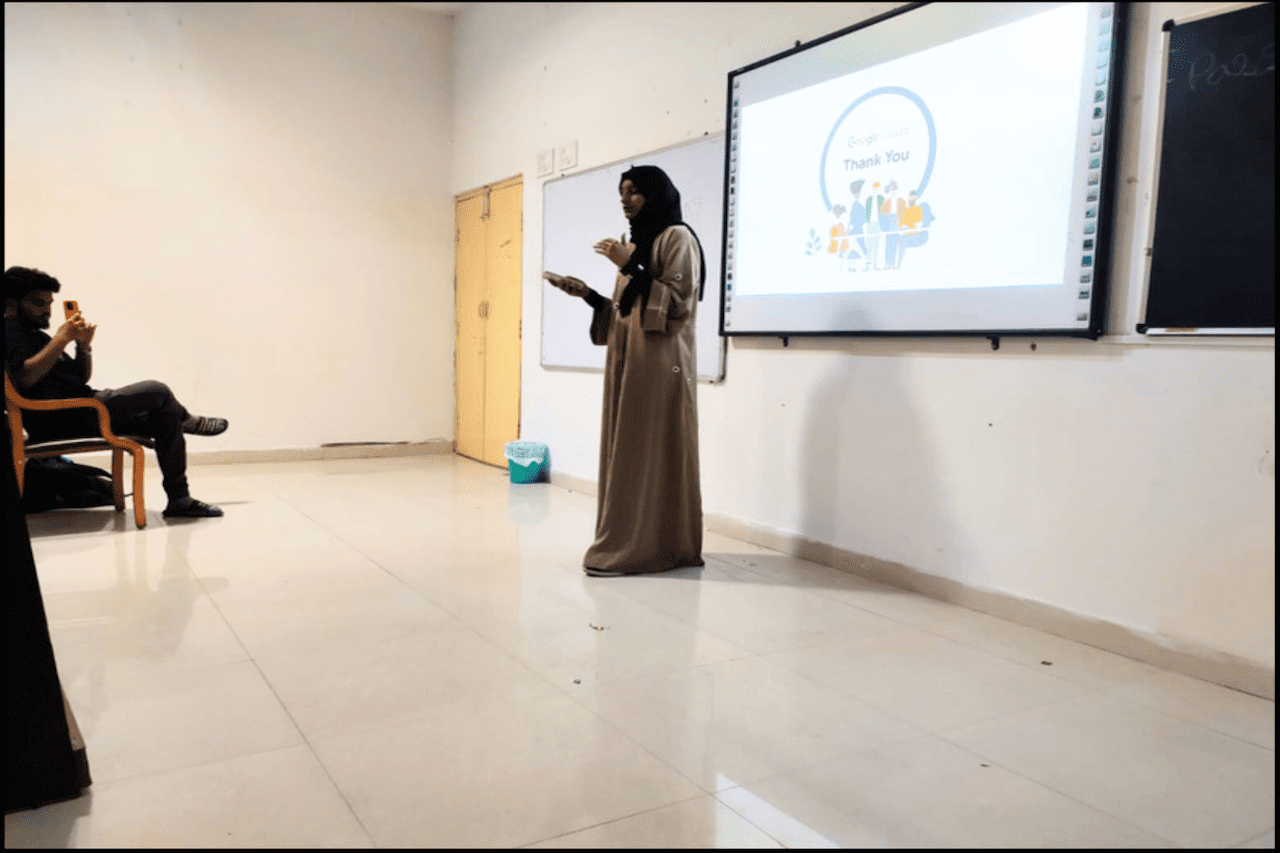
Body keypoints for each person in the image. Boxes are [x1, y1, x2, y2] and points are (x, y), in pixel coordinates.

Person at [543, 165, 705, 577]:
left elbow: (678, 307)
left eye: (634, 191)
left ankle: (652, 548)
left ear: (655, 194)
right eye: (622, 191)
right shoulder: (634, 243)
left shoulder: (677, 238)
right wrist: (589, 296)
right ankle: (632, 540)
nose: (625, 198)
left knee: (649, 451)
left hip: (659, 367)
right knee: (628, 451)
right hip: (630, 362)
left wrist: (631, 265)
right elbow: (627, 312)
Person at [5, 266, 227, 518]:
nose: (47, 310)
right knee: (156, 390)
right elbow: (24, 379)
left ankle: (180, 499)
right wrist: (60, 340)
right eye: (38, 303)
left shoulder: (36, 336)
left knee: (165, 419)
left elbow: (78, 377)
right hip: (61, 418)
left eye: (49, 303)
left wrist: (83, 347)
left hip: (81, 411)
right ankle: (188, 420)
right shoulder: (8, 335)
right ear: (12, 303)